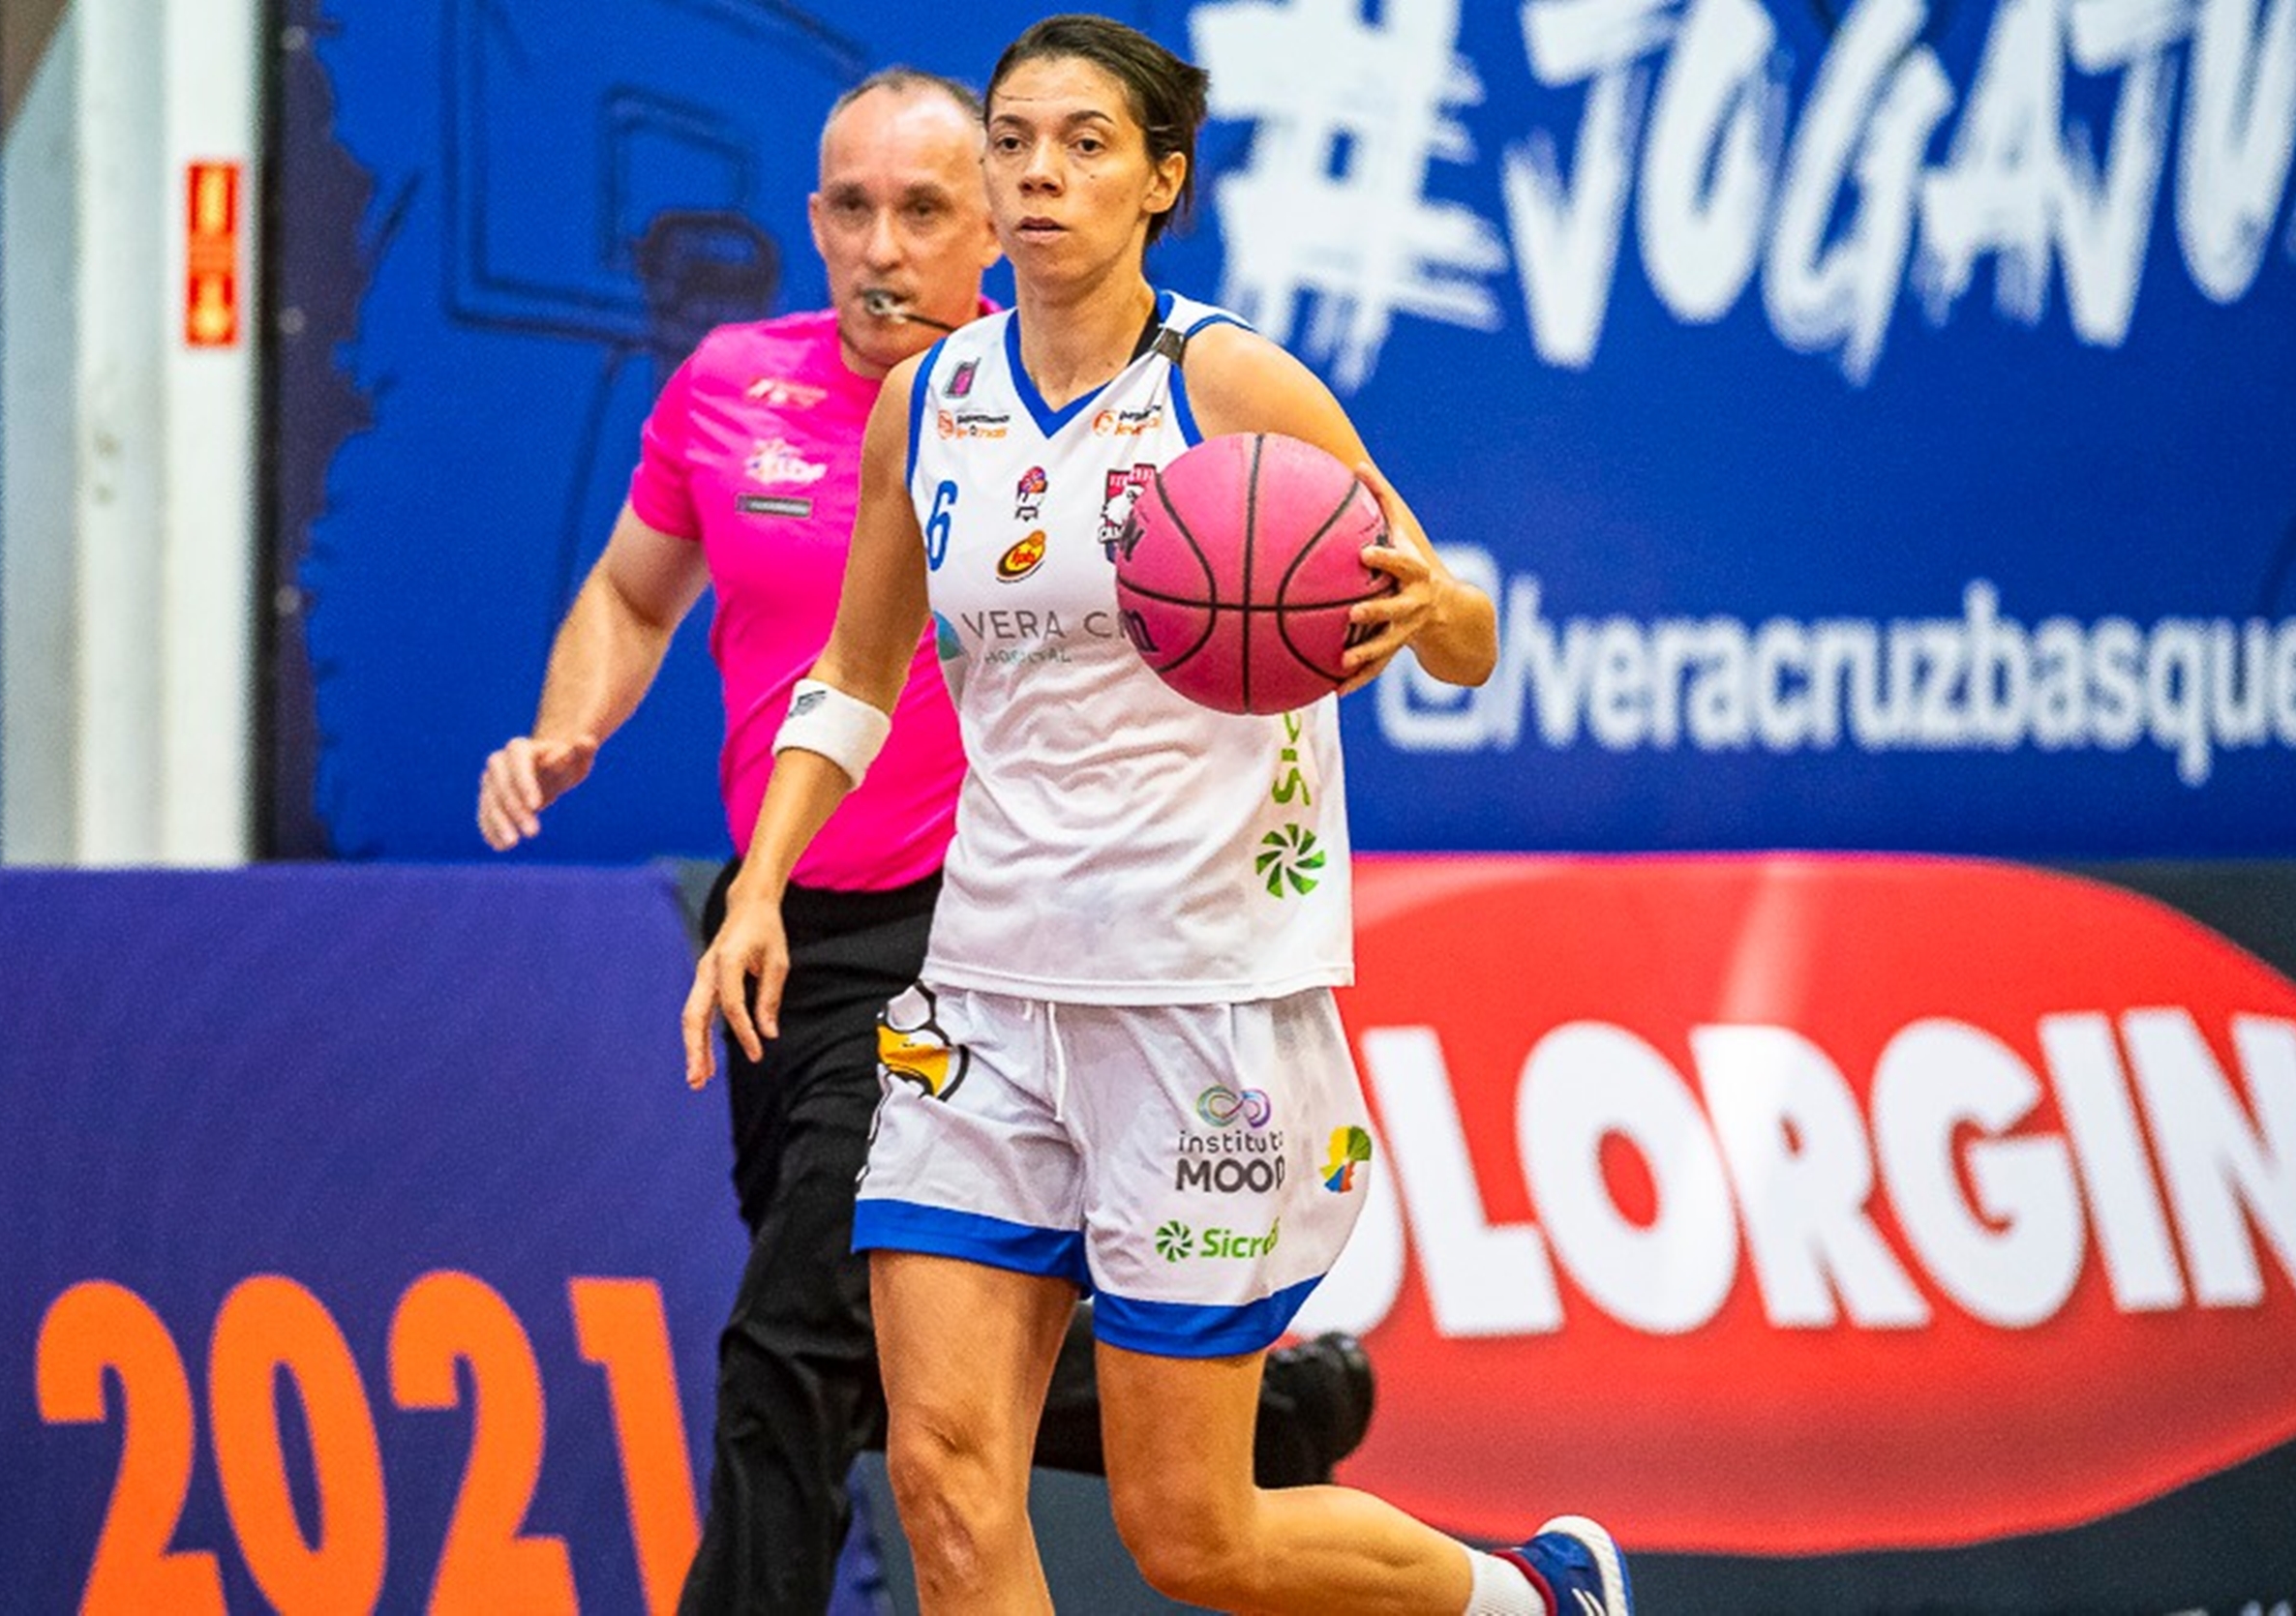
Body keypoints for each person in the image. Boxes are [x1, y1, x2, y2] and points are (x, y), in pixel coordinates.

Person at [689, 15, 1631, 1616]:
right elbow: (850, 682)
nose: (1039, 170)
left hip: (1198, 1005)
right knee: (940, 1474)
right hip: (981, 996)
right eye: (1014, 139)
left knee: (1190, 1532)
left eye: (1084, 142)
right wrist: (763, 884)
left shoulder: (1232, 382)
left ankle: (1530, 1596)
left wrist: (1431, 613)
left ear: (1160, 182)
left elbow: (1462, 638)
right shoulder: (928, 404)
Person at [476, 66, 1375, 1616]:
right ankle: (1276, 1421)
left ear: (990, 232)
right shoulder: (742, 389)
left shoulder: (1091, 400)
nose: (881, 244)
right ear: (812, 220)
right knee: (885, 1378)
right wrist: (578, 727)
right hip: (787, 935)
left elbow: (1366, 587)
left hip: (959, 943)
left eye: (923, 208)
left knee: (786, 1362)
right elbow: (647, 598)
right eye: (851, 207)